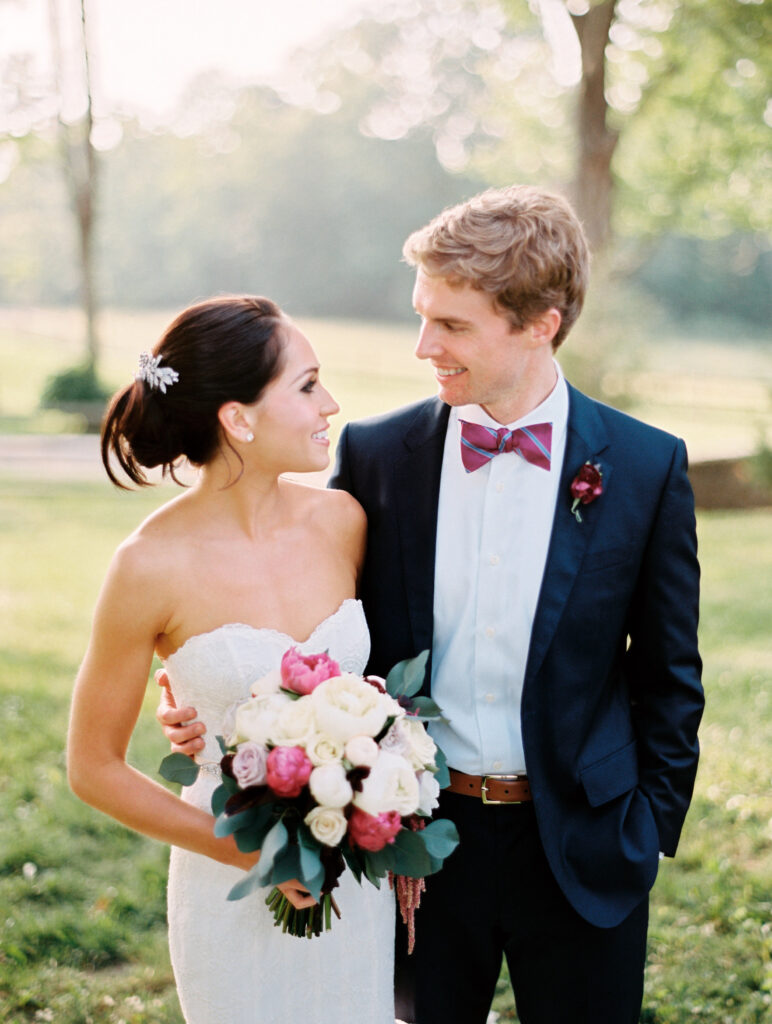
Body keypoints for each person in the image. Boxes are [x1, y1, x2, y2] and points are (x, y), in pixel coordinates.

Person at [160, 186, 704, 1024]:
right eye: (422, 316)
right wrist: (205, 711)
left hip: (587, 848)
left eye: (452, 325)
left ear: (539, 323)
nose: (424, 346)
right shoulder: (378, 456)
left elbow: (670, 675)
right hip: (415, 852)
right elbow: (310, 634)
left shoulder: (645, 465)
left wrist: (648, 828)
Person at [67, 295, 396, 1024]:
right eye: (308, 385)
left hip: (351, 879)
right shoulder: (147, 565)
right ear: (238, 418)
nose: (331, 404)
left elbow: (390, 685)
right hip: (228, 883)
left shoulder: (343, 523)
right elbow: (92, 767)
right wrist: (254, 854)